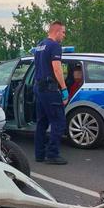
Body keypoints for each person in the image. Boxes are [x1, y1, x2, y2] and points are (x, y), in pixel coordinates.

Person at [33, 21, 68, 165]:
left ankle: (39, 154)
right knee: (58, 122)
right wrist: (64, 88)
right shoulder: (55, 46)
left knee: (41, 122)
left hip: (39, 88)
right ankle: (52, 154)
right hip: (50, 89)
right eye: (63, 32)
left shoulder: (40, 46)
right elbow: (57, 69)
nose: (64, 35)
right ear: (57, 31)